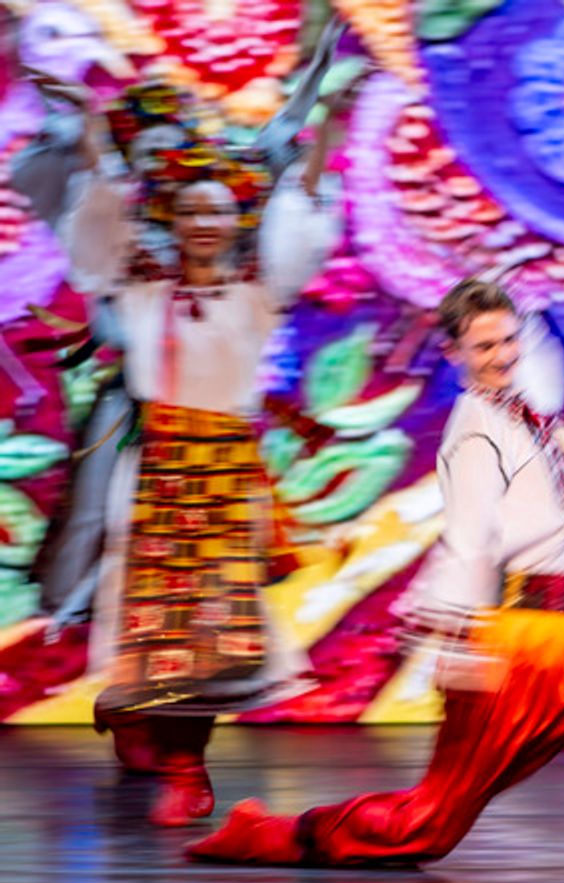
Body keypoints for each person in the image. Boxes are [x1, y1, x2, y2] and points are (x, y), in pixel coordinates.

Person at [186, 279, 564, 871]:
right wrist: (459, 648)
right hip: (518, 649)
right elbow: (468, 541)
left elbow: (539, 359)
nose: (502, 356)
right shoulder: (476, 434)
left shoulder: (522, 405)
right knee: (428, 824)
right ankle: (269, 834)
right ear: (454, 354)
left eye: (508, 341)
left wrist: (521, 298)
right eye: (484, 347)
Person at [54, 88, 340, 824]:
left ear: (236, 219)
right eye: (191, 211)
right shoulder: (143, 290)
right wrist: (91, 135)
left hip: (224, 481)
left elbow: (299, 220)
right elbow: (99, 236)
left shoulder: (257, 293)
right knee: (147, 624)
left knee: (211, 631)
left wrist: (327, 132)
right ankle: (134, 714)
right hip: (154, 475)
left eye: (217, 210)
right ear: (172, 220)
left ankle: (187, 767)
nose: (205, 222)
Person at [14, 16, 346, 634]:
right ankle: (77, 602)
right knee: (99, 501)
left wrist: (321, 83)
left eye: (166, 150)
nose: (155, 165)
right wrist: (85, 123)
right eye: (144, 153)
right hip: (138, 396)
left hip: (203, 408)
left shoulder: (219, 231)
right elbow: (99, 197)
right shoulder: (124, 237)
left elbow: (281, 142)